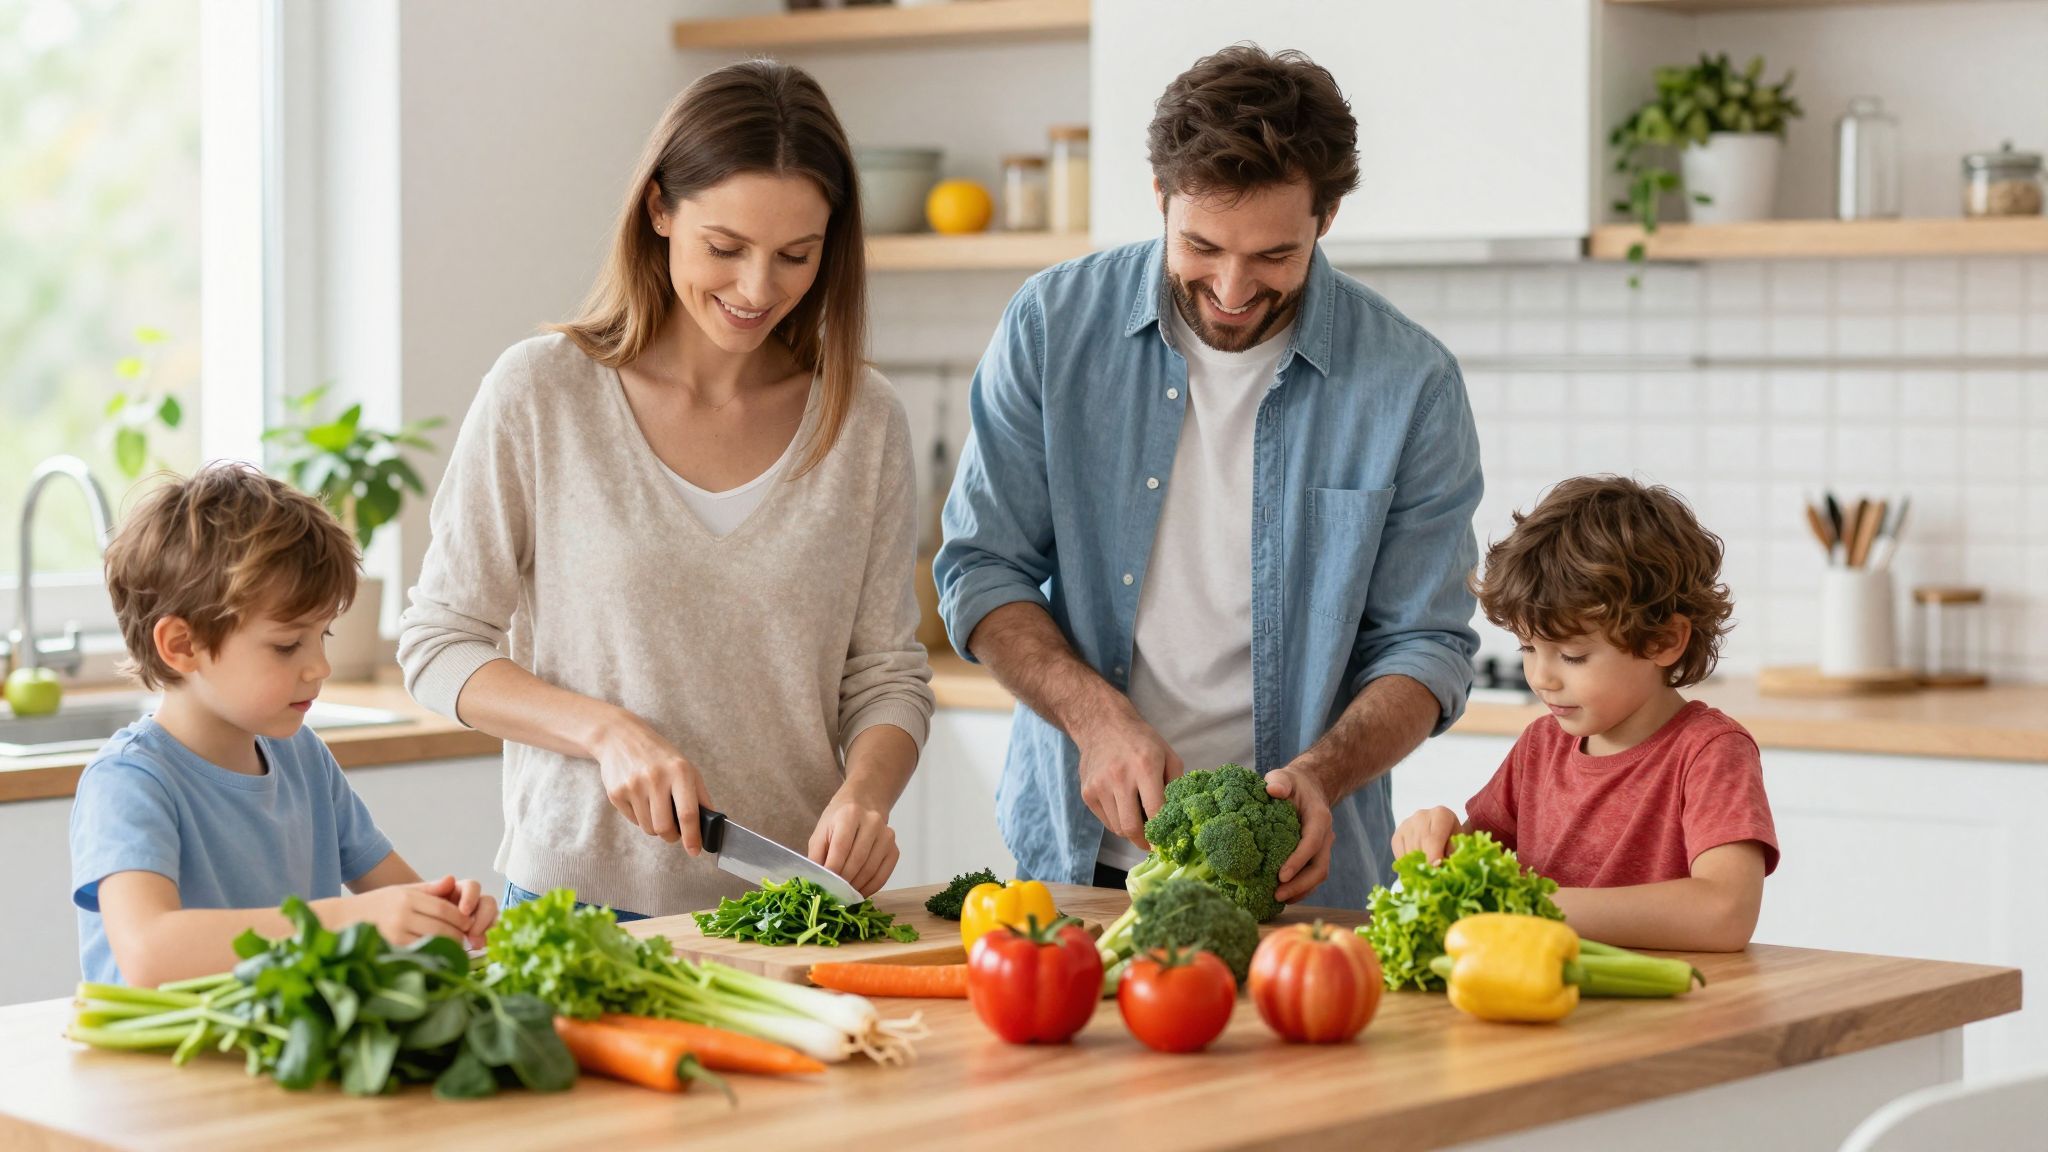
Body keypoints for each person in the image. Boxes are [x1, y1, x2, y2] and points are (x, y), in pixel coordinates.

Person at [935, 46, 1483, 910]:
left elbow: (1427, 646)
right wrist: (1094, 719)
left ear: (1326, 219)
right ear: (1159, 199)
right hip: (1078, 866)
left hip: (1307, 884)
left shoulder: (1410, 384)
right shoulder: (1051, 327)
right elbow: (980, 568)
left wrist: (1322, 773)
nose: (1231, 288)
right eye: (1200, 245)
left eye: (1273, 254)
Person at [398, 60, 932, 919]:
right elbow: (437, 644)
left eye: (796, 255)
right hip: (577, 908)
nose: (759, 289)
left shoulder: (861, 419)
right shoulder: (543, 394)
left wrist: (867, 793)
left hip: (789, 914)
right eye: (725, 248)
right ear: (658, 210)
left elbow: (885, 673)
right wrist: (604, 733)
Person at [71, 463, 496, 987]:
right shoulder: (129, 781)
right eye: (287, 645)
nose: (319, 667)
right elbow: (149, 952)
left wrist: (447, 912)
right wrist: (349, 919)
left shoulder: (303, 757)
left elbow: (395, 894)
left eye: (324, 636)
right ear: (182, 646)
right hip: (157, 1066)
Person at [1392, 475, 1778, 951]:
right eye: (1528, 648)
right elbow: (1471, 882)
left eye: (1573, 655)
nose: (1542, 678)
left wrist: (1530, 906)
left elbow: (1725, 913)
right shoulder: (1540, 747)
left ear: (1664, 640)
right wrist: (1435, 840)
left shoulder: (1709, 753)